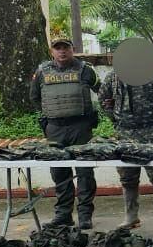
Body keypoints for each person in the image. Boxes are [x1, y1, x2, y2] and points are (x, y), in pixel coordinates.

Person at [29, 37, 100, 228]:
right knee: (59, 172)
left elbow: (103, 91)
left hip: (80, 127)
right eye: (57, 48)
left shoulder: (86, 69)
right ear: (52, 51)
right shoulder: (42, 72)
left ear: (73, 49)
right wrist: (45, 119)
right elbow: (35, 98)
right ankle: (63, 214)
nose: (62, 51)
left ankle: (85, 215)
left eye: (66, 47)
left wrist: (97, 113)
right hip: (55, 128)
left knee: (84, 172)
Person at [98, 68, 153, 229]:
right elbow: (102, 98)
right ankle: (131, 216)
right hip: (124, 134)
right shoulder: (114, 76)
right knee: (127, 177)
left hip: (151, 134)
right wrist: (114, 118)